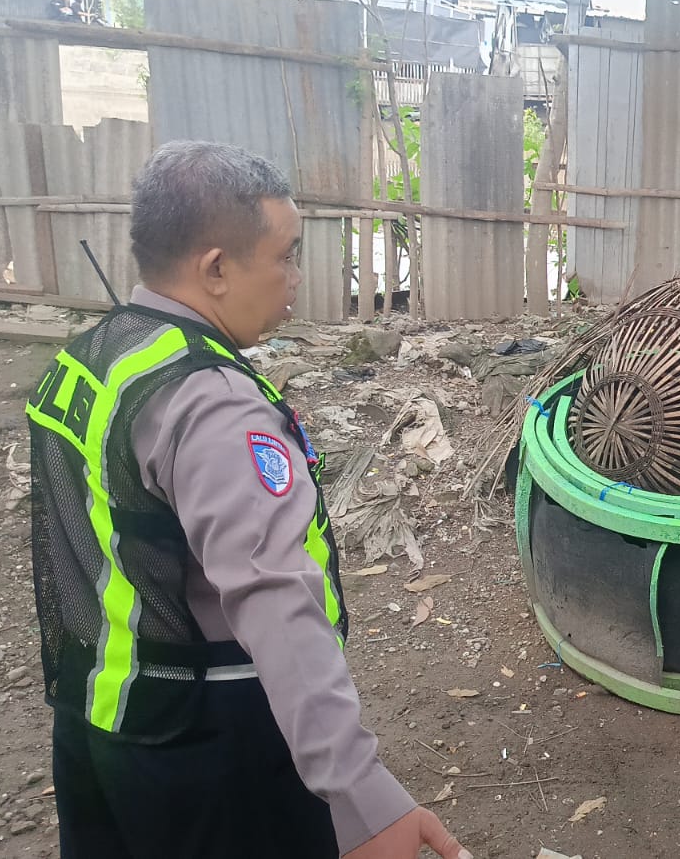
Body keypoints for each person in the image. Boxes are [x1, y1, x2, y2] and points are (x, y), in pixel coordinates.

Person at [27, 141, 469, 859]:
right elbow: (273, 595)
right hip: (206, 745)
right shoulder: (213, 405)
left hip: (98, 716)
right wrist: (360, 797)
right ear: (217, 268)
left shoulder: (94, 355)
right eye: (286, 255)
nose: (296, 278)